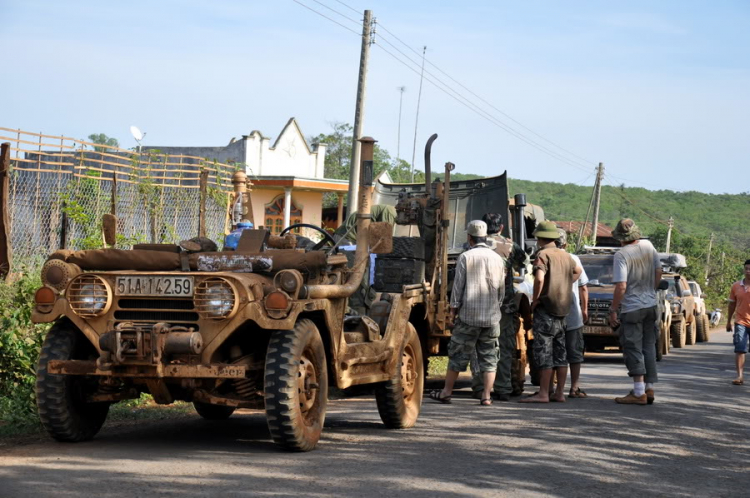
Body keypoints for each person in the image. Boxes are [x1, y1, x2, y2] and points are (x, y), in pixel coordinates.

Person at [430, 220, 505, 406]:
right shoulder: (498, 258)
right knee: (489, 358)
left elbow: (458, 288)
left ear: (469, 237)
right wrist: (496, 306)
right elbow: (502, 290)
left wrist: (453, 311)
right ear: (485, 237)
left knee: (457, 356)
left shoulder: (466, 256)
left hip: (468, 317)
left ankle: (446, 392)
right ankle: (486, 396)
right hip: (491, 318)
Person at [520, 221, 581, 403]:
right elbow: (577, 272)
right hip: (563, 311)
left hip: (546, 310)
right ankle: (560, 393)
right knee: (560, 353)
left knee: (544, 352)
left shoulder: (543, 255)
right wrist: (565, 282)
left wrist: (536, 298)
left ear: (540, 238)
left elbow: (539, 279)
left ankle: (543, 393)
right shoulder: (566, 256)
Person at [470, 213, 528, 401]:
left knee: (479, 345)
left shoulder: (473, 245)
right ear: (501, 227)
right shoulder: (510, 245)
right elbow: (524, 263)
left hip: (478, 302)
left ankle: (479, 387)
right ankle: (503, 388)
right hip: (505, 304)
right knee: (504, 345)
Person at [608, 218, 662, 405]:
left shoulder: (621, 254)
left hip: (632, 307)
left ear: (620, 238)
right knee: (649, 347)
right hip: (650, 306)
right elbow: (658, 271)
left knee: (633, 347)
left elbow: (621, 286)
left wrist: (613, 309)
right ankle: (649, 388)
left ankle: (638, 392)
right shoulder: (648, 246)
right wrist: (650, 292)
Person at [555, 228, 589, 398]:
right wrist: (584, 309)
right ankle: (574, 387)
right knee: (574, 352)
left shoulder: (546, 256)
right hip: (573, 312)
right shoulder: (573, 258)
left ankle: (556, 388)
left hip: (553, 312)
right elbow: (583, 287)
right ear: (566, 244)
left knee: (556, 351)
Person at [726, 260, 750, 386]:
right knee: (740, 349)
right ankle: (739, 376)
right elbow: (732, 304)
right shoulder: (736, 286)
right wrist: (729, 321)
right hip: (740, 321)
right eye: (746, 268)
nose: (748, 271)